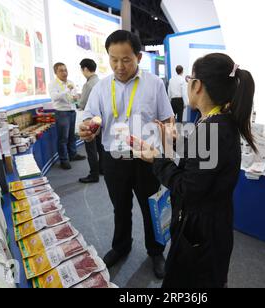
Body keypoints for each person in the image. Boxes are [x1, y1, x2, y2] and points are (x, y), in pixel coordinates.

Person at [132, 53, 257, 288]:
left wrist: (157, 159)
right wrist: (174, 143)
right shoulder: (219, 120)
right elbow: (204, 165)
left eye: (190, 78)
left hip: (200, 231)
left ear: (197, 85)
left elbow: (188, 187)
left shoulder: (212, 129)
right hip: (211, 223)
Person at [79, 30, 175, 279]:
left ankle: (156, 251)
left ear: (139, 57)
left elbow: (167, 118)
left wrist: (169, 141)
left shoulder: (154, 84)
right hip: (114, 159)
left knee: (150, 207)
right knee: (120, 207)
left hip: (147, 159)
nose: (119, 66)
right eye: (113, 59)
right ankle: (121, 246)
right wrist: (88, 128)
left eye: (126, 60)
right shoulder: (101, 88)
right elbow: (91, 117)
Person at [49, 63, 86, 170]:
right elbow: (54, 97)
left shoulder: (70, 82)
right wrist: (66, 90)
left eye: (65, 70)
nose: (65, 72)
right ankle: (64, 160)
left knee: (72, 136)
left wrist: (76, 97)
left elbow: (74, 97)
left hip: (71, 111)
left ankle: (73, 155)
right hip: (61, 112)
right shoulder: (53, 84)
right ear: (56, 72)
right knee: (63, 138)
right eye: (61, 70)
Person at [77, 58, 103, 184]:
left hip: (90, 120)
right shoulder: (101, 82)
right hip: (100, 119)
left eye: (82, 70)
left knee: (90, 147)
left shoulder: (88, 84)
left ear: (85, 69)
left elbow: (82, 104)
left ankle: (94, 174)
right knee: (100, 146)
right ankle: (102, 169)